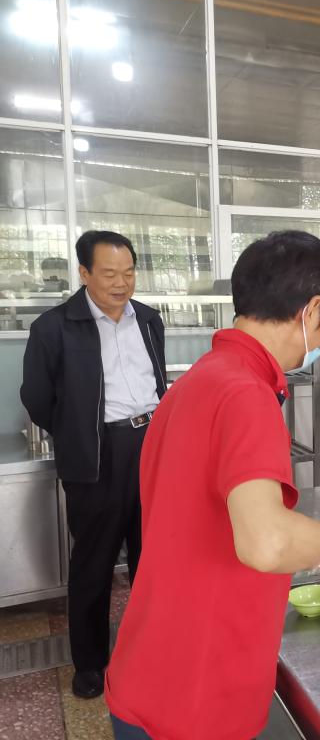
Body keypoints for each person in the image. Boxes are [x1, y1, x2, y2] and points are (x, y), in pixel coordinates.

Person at [104, 231, 320, 739]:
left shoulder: (198, 380)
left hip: (151, 669)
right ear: (311, 311)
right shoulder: (246, 393)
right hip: (196, 698)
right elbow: (267, 542)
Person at [21, 230, 166, 701]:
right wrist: (79, 433)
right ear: (84, 274)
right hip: (96, 454)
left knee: (154, 558)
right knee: (94, 563)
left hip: (151, 445)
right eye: (109, 274)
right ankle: (90, 663)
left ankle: (154, 647)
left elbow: (158, 380)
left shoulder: (149, 320)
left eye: (129, 273)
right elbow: (37, 399)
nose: (121, 283)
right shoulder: (54, 327)